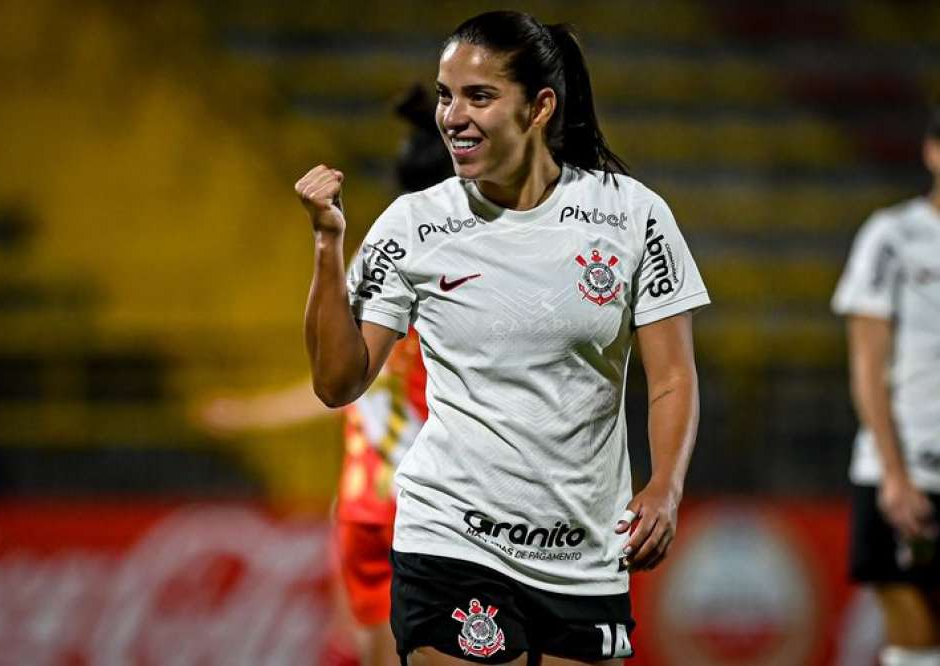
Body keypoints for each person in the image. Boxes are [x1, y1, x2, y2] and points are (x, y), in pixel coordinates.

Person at [296, 11, 709, 665]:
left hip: (586, 551)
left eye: (478, 96)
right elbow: (336, 382)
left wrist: (665, 486)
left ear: (540, 106)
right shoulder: (414, 225)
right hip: (451, 537)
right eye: (444, 94)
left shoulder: (632, 217)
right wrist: (327, 244)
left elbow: (673, 377)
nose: (452, 116)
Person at [201, 85, 448, 666]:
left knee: (363, 647)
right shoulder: (464, 281)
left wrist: (248, 412)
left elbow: (336, 382)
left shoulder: (376, 264)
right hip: (431, 504)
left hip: (365, 499)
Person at [831, 108, 940, 666]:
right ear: (932, 152)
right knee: (916, 641)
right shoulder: (893, 238)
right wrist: (895, 476)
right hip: (905, 472)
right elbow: (868, 366)